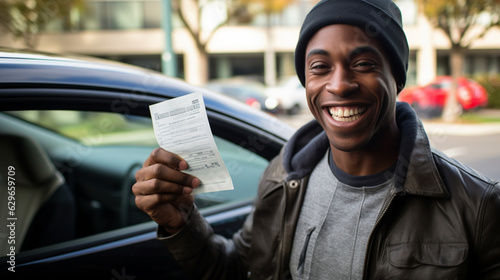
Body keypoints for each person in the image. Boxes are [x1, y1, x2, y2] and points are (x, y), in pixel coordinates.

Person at [132, 0, 500, 278]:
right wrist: (181, 223)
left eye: (363, 64)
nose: (339, 84)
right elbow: (238, 270)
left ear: (397, 78)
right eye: (320, 68)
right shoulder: (283, 174)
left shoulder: (478, 205)